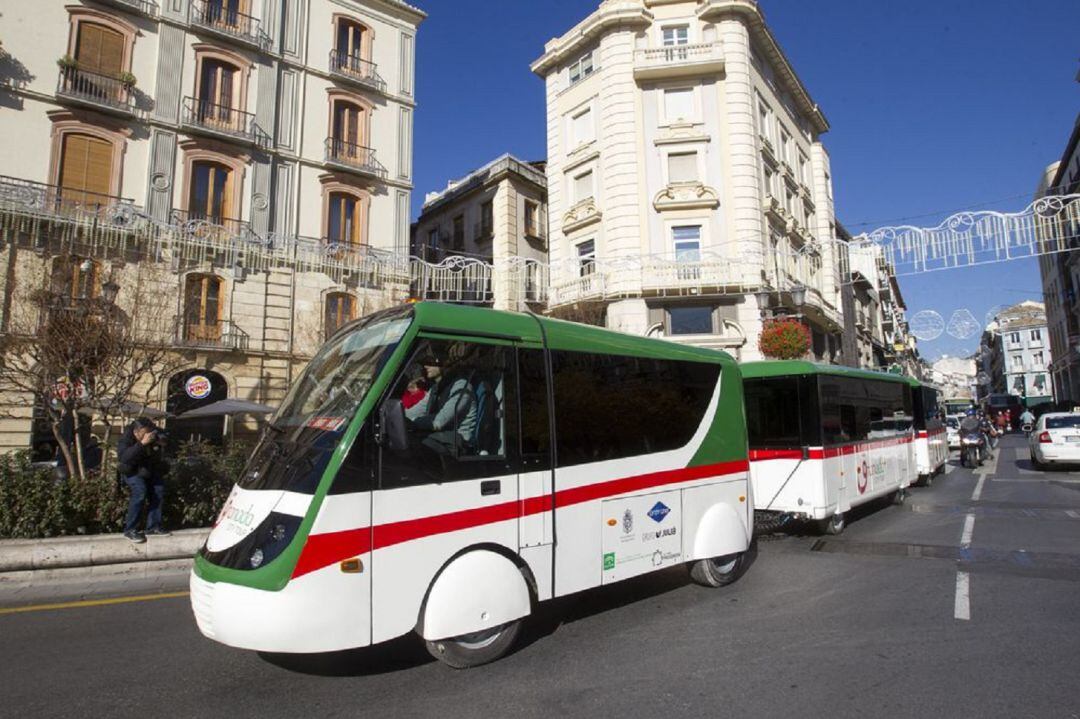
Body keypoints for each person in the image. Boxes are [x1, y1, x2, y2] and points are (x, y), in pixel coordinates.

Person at [405, 351, 477, 458]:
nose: (425, 366)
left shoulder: (462, 387)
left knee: (415, 447)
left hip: (458, 443)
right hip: (441, 437)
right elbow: (416, 410)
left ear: (445, 363)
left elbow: (439, 422)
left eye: (430, 362)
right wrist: (398, 415)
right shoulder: (437, 388)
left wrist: (412, 422)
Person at [117, 418, 171, 543]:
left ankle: (153, 526)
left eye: (150, 432)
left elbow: (166, 437)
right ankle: (130, 529)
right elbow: (124, 458)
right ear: (136, 432)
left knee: (158, 491)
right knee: (140, 492)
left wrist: (161, 440)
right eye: (145, 433)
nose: (148, 435)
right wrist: (142, 444)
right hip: (132, 470)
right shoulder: (126, 438)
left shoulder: (154, 432)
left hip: (150, 468)